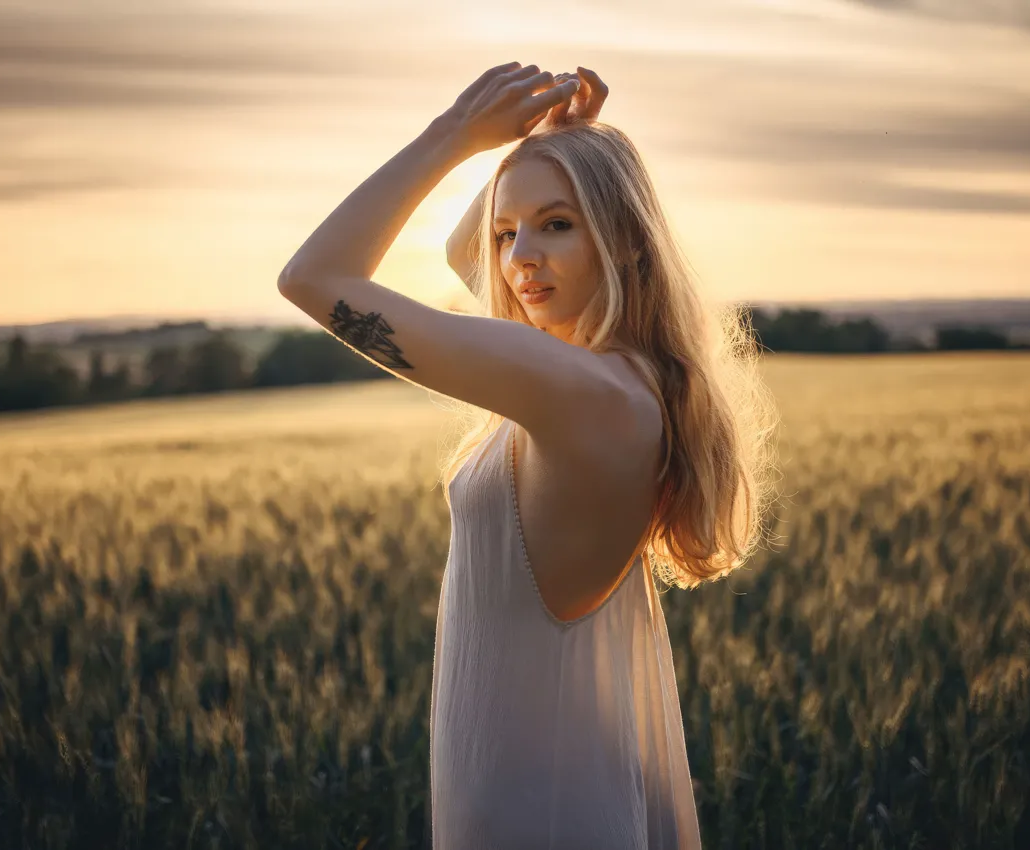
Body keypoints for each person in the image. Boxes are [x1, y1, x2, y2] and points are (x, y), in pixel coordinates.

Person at [279, 61, 782, 849]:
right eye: (509, 233)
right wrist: (549, 143)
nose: (519, 259)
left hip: (534, 799)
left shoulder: (579, 389)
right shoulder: (612, 376)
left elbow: (312, 278)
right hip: (537, 767)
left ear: (625, 237)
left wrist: (455, 134)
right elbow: (466, 249)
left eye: (557, 224)